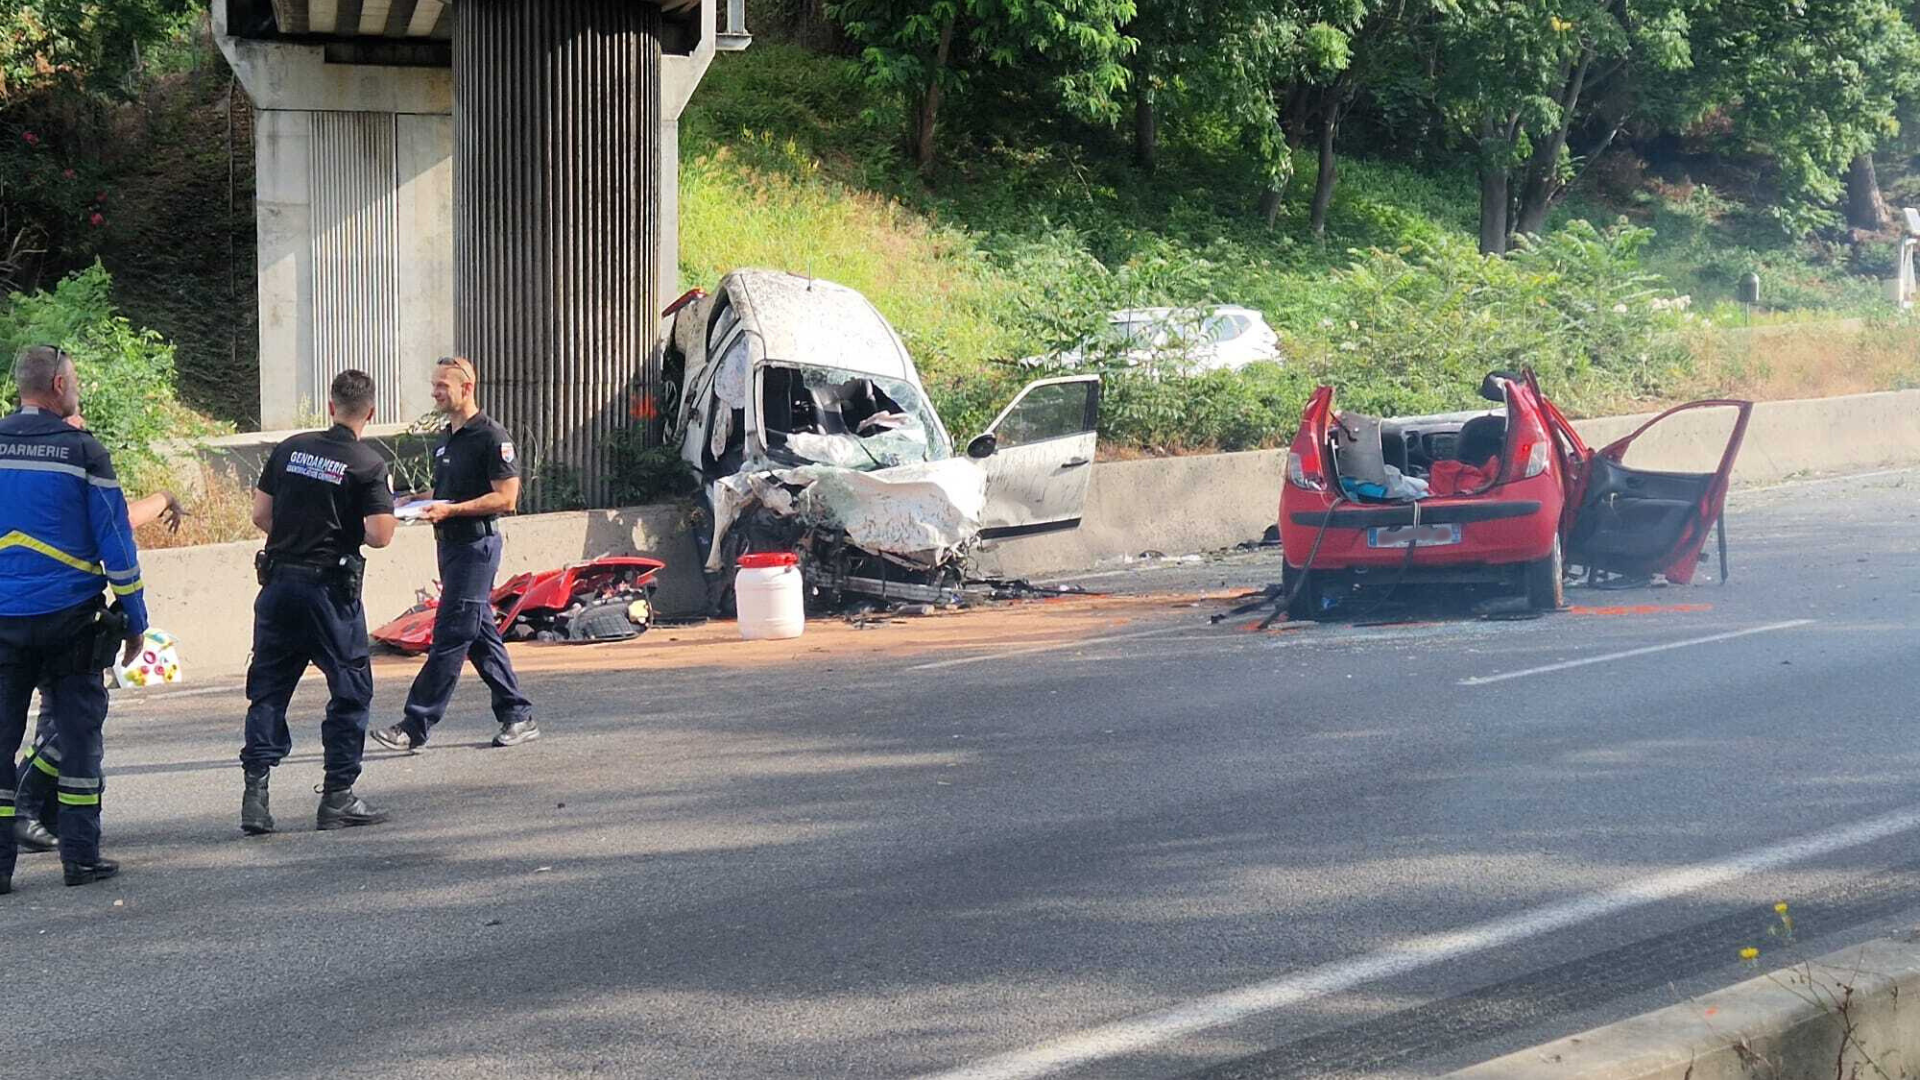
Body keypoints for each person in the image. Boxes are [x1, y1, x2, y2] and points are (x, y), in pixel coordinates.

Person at [0, 345, 146, 893]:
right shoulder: (82, 450)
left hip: (3, 620)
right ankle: (80, 859)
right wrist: (135, 619)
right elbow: (117, 541)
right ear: (59, 385)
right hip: (70, 621)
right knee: (79, 737)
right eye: (76, 381)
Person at [240, 369, 398, 834]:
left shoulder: (289, 449)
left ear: (331, 407)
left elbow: (260, 514)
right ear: (370, 412)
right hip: (329, 594)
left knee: (268, 690)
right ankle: (337, 797)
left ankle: (255, 798)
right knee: (351, 691)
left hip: (279, 586)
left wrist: (296, 535)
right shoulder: (368, 463)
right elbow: (380, 536)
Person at [370, 356, 538, 752]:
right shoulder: (447, 437)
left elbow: (507, 497)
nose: (435, 392)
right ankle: (518, 714)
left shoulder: (492, 437)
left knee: (449, 634)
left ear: (468, 387)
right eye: (434, 385)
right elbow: (450, 491)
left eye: (443, 385)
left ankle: (415, 724)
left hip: (476, 548)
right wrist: (413, 499)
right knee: (478, 634)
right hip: (450, 546)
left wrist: (452, 511)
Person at [10, 474, 182, 854]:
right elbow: (122, 522)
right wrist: (165, 496)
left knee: (57, 718)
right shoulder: (64, 475)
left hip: (26, 615)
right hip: (56, 617)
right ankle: (26, 805)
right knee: (74, 724)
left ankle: (47, 813)